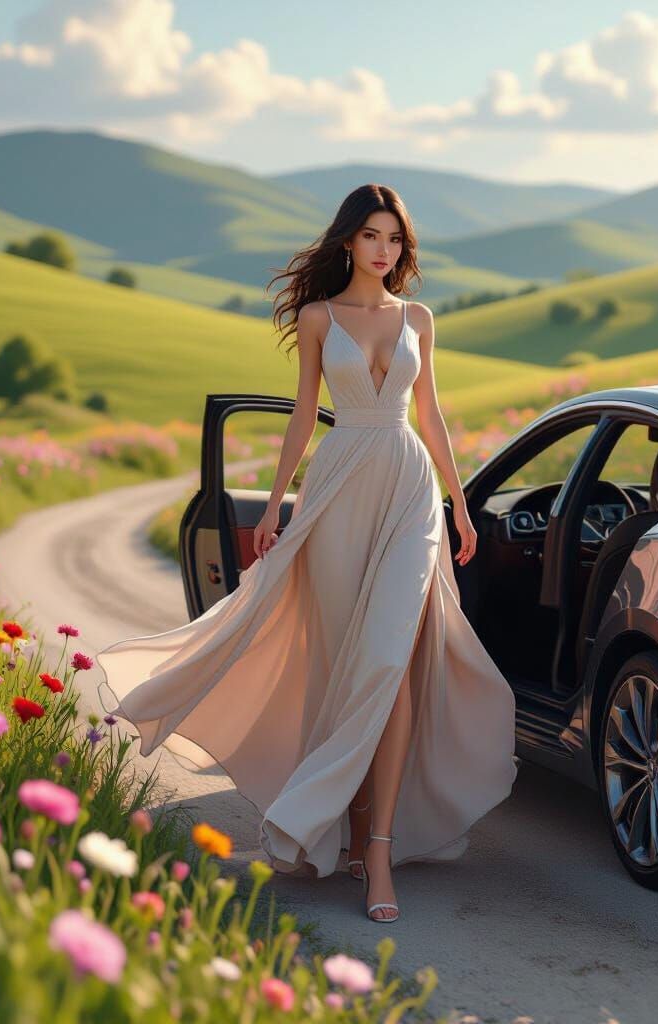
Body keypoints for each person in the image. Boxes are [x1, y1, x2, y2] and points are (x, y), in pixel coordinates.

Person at [96, 183, 517, 923]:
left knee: (391, 662)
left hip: (409, 490)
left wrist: (459, 503)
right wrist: (278, 504)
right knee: (341, 668)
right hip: (339, 488)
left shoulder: (418, 318)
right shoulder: (320, 319)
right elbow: (300, 416)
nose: (384, 251)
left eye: (394, 239)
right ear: (348, 241)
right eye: (371, 237)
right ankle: (348, 827)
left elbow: (432, 415)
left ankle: (379, 848)